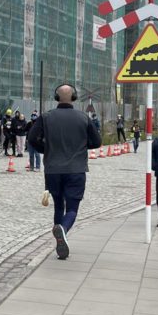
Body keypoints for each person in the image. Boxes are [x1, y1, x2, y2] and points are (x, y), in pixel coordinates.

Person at [26, 84, 101, 260]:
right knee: (73, 207)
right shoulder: (83, 117)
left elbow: (31, 138)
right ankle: (64, 230)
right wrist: (82, 147)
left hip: (53, 169)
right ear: (74, 98)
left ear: (56, 97)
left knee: (58, 204)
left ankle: (59, 237)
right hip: (76, 169)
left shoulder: (46, 117)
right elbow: (97, 142)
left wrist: (46, 149)